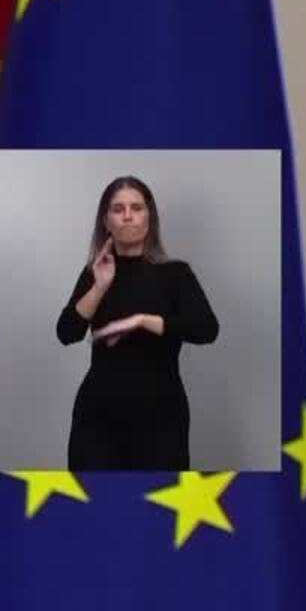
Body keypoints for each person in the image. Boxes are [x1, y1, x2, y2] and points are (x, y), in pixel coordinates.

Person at [56, 175, 219, 470]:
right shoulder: (94, 273)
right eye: (118, 209)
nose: (128, 216)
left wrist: (145, 321)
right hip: (97, 420)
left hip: (161, 420)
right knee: (96, 499)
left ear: (149, 217)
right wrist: (100, 286)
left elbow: (207, 329)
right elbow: (67, 332)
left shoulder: (175, 274)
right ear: (106, 221)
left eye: (136, 207)